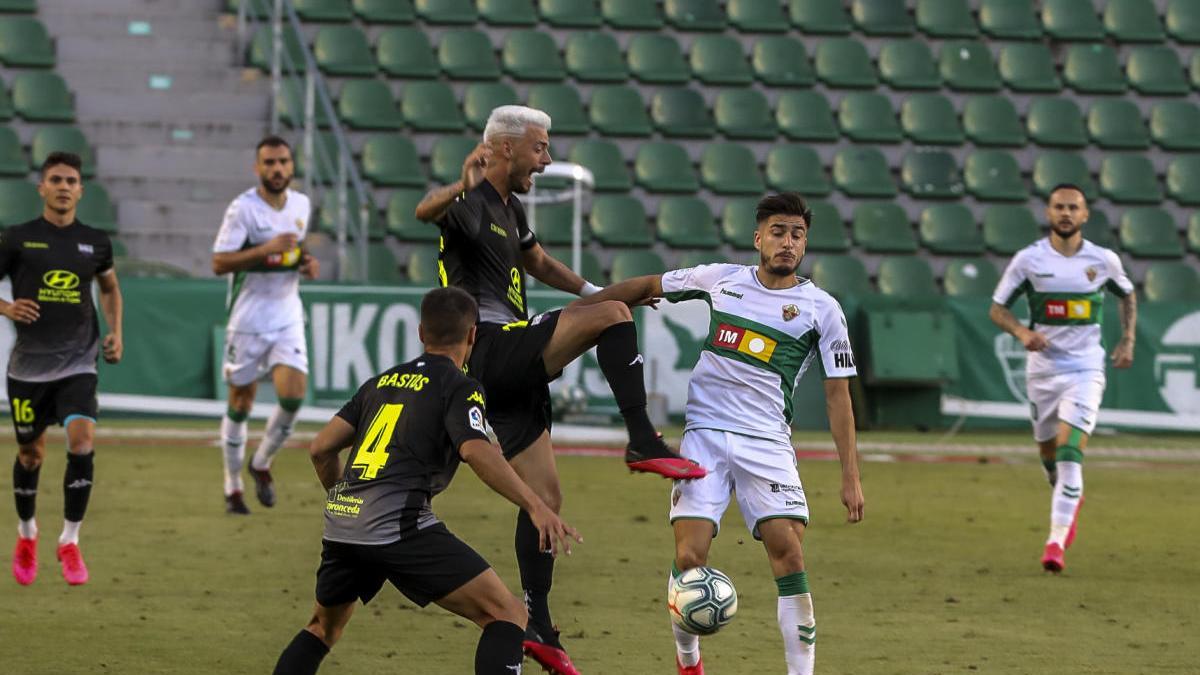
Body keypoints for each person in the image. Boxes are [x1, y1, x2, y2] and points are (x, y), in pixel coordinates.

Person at [414, 105, 705, 673]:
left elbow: (539, 262)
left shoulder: (509, 206)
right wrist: (462, 182)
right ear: (504, 148)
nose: (546, 160)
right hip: (491, 347)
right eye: (540, 148)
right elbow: (424, 211)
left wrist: (594, 290)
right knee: (616, 316)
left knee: (546, 499)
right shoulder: (470, 202)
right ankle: (643, 439)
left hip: (506, 376)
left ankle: (538, 622)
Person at [575, 192, 865, 675]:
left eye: (797, 234)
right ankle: (689, 661)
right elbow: (649, 283)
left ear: (805, 243)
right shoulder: (720, 279)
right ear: (758, 238)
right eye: (777, 231)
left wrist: (850, 476)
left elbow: (840, 397)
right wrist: (588, 304)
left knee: (789, 553)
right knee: (689, 556)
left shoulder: (823, 310)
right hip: (705, 435)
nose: (787, 242)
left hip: (767, 442)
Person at [271, 287, 579, 675]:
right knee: (508, 615)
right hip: (399, 525)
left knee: (321, 628)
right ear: (472, 335)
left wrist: (344, 500)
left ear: (420, 333)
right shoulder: (460, 387)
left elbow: (320, 449)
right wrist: (536, 505)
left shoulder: (380, 383)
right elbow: (475, 450)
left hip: (343, 525)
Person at [990, 184, 1136, 573]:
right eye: (1059, 207)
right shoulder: (1029, 260)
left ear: (1085, 215)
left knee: (1071, 453)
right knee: (1049, 454)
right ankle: (1068, 496)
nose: (1066, 213)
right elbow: (997, 308)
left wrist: (1128, 338)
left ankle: (1055, 543)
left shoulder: (1103, 260)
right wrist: (1022, 333)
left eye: (1074, 207)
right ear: (1049, 213)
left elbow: (1127, 294)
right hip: (1043, 371)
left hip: (1086, 368)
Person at [3, 151, 123, 586]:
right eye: (55, 179)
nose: (63, 186)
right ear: (42, 187)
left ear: (80, 190)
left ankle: (70, 541)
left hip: (79, 363)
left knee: (82, 440)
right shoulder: (16, 238)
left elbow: (110, 287)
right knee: (31, 455)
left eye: (71, 180)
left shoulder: (95, 241)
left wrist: (116, 331)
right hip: (28, 370)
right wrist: (6, 307)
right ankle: (27, 533)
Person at [212, 136, 319, 514]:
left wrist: (306, 262)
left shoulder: (302, 204)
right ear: (257, 168)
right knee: (241, 403)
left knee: (293, 398)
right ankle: (232, 485)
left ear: (292, 166)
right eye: (269, 163)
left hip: (287, 315)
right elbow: (219, 263)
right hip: (247, 320)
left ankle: (261, 462)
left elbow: (295, 249)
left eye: (283, 162)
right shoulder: (243, 209)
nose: (277, 169)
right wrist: (263, 250)